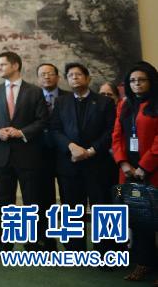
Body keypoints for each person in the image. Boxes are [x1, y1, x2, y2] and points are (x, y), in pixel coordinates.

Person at [0, 51, 47, 253]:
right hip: (2, 156)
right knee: (4, 203)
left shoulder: (34, 91)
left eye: (2, 64)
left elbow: (42, 120)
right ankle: (4, 244)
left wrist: (21, 132)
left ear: (15, 65)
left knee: (31, 202)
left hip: (28, 155)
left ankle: (32, 244)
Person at [48, 62, 116, 252]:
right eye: (70, 75)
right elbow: (55, 130)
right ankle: (74, 251)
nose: (74, 78)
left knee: (102, 209)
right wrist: (72, 147)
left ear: (88, 78)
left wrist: (91, 151)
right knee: (71, 209)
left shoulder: (104, 102)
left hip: (98, 164)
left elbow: (111, 131)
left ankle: (105, 253)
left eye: (78, 74)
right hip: (70, 165)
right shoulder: (61, 102)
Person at [112, 61, 158, 282]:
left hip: (153, 171)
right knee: (139, 220)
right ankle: (143, 264)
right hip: (129, 172)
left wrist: (145, 166)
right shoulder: (125, 104)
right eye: (132, 81)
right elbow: (117, 136)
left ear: (151, 81)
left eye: (141, 80)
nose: (136, 84)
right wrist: (123, 163)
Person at [35, 62, 69, 250]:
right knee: (43, 200)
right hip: (40, 156)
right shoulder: (31, 97)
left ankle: (71, 243)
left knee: (68, 200)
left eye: (50, 73)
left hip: (65, 155)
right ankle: (47, 242)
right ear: (38, 78)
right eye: (43, 74)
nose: (46, 77)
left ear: (58, 77)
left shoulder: (69, 97)